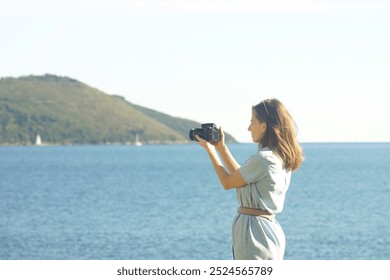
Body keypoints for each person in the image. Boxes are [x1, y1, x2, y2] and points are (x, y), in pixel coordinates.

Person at [195, 98, 303, 260]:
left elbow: (228, 182)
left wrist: (210, 151)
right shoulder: (279, 157)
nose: (248, 127)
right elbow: (240, 177)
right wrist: (221, 148)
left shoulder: (264, 158)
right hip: (268, 230)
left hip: (254, 232)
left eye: (252, 122)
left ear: (264, 126)